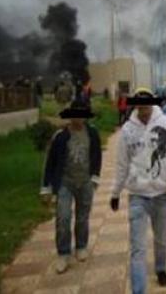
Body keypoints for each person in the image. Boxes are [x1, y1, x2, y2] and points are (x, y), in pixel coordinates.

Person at [110, 88, 166, 293]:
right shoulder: (127, 130)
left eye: (146, 105)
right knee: (138, 248)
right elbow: (121, 165)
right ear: (134, 105)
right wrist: (115, 193)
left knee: (161, 239)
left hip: (161, 194)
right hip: (137, 196)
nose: (143, 110)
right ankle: (138, 290)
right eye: (139, 105)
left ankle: (161, 268)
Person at [40, 100, 102, 274]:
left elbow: (97, 156)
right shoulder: (60, 136)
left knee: (83, 217)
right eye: (75, 114)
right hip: (65, 183)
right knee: (63, 218)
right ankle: (63, 253)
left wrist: (95, 177)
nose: (79, 118)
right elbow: (50, 162)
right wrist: (46, 188)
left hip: (84, 182)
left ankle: (81, 246)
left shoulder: (92, 133)